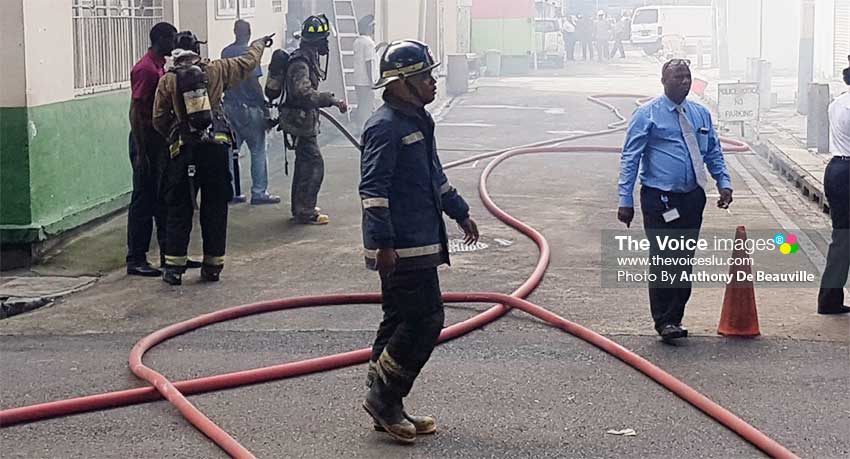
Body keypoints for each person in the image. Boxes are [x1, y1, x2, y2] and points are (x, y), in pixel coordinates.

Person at [359, 40, 480, 442]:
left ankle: (386, 404)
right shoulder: (385, 126)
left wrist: (459, 210)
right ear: (401, 84)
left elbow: (434, 177)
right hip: (402, 246)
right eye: (425, 77)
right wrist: (383, 243)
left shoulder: (417, 121)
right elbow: (373, 190)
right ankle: (385, 398)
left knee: (397, 319)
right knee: (426, 320)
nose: (432, 83)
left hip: (419, 240)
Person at [617, 59, 733, 342]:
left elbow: (713, 152)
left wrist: (724, 183)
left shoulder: (700, 114)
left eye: (687, 77)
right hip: (660, 199)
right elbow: (630, 158)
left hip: (692, 198)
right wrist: (625, 200)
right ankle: (664, 320)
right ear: (663, 81)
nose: (684, 82)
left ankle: (675, 317)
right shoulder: (648, 114)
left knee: (683, 259)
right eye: (678, 77)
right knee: (663, 258)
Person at [153, 31, 274, 285]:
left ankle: (174, 269)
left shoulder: (168, 80)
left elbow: (158, 118)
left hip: (184, 151)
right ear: (198, 49)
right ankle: (212, 267)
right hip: (216, 148)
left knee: (179, 207)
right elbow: (248, 62)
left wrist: (174, 136)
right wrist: (259, 44)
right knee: (215, 207)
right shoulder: (218, 69)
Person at [274, 15, 348, 225]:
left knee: (304, 163)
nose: (326, 44)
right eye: (324, 39)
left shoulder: (308, 57)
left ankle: (301, 207)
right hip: (299, 120)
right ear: (316, 41)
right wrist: (331, 100)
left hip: (303, 120)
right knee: (314, 164)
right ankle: (306, 210)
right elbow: (304, 93)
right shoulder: (300, 62)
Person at [221, 20, 280, 206]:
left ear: (234, 32)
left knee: (230, 152)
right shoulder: (249, 55)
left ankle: (230, 192)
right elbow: (254, 84)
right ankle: (259, 192)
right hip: (249, 109)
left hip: (230, 108)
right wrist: (264, 107)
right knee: (258, 150)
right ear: (249, 32)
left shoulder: (226, 52)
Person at [817, 59, 850, 315]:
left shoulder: (838, 102)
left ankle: (830, 298)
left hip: (836, 170)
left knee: (842, 237)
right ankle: (829, 299)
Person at [352, 15, 377, 134]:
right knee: (366, 105)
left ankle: (358, 126)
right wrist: (372, 81)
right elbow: (368, 63)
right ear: (369, 28)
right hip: (366, 80)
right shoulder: (369, 43)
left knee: (361, 104)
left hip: (358, 79)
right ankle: (364, 128)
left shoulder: (357, 41)